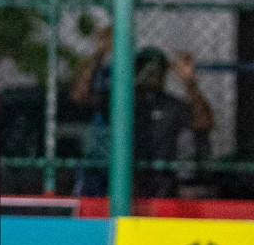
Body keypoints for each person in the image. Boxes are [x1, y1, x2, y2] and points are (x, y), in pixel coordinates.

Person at [71, 41, 214, 198]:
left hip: (162, 180)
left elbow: (204, 123)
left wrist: (189, 82)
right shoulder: (121, 101)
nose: (150, 73)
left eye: (156, 68)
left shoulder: (172, 105)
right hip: (124, 177)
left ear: (164, 72)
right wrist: (99, 54)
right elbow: (80, 96)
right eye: (144, 67)